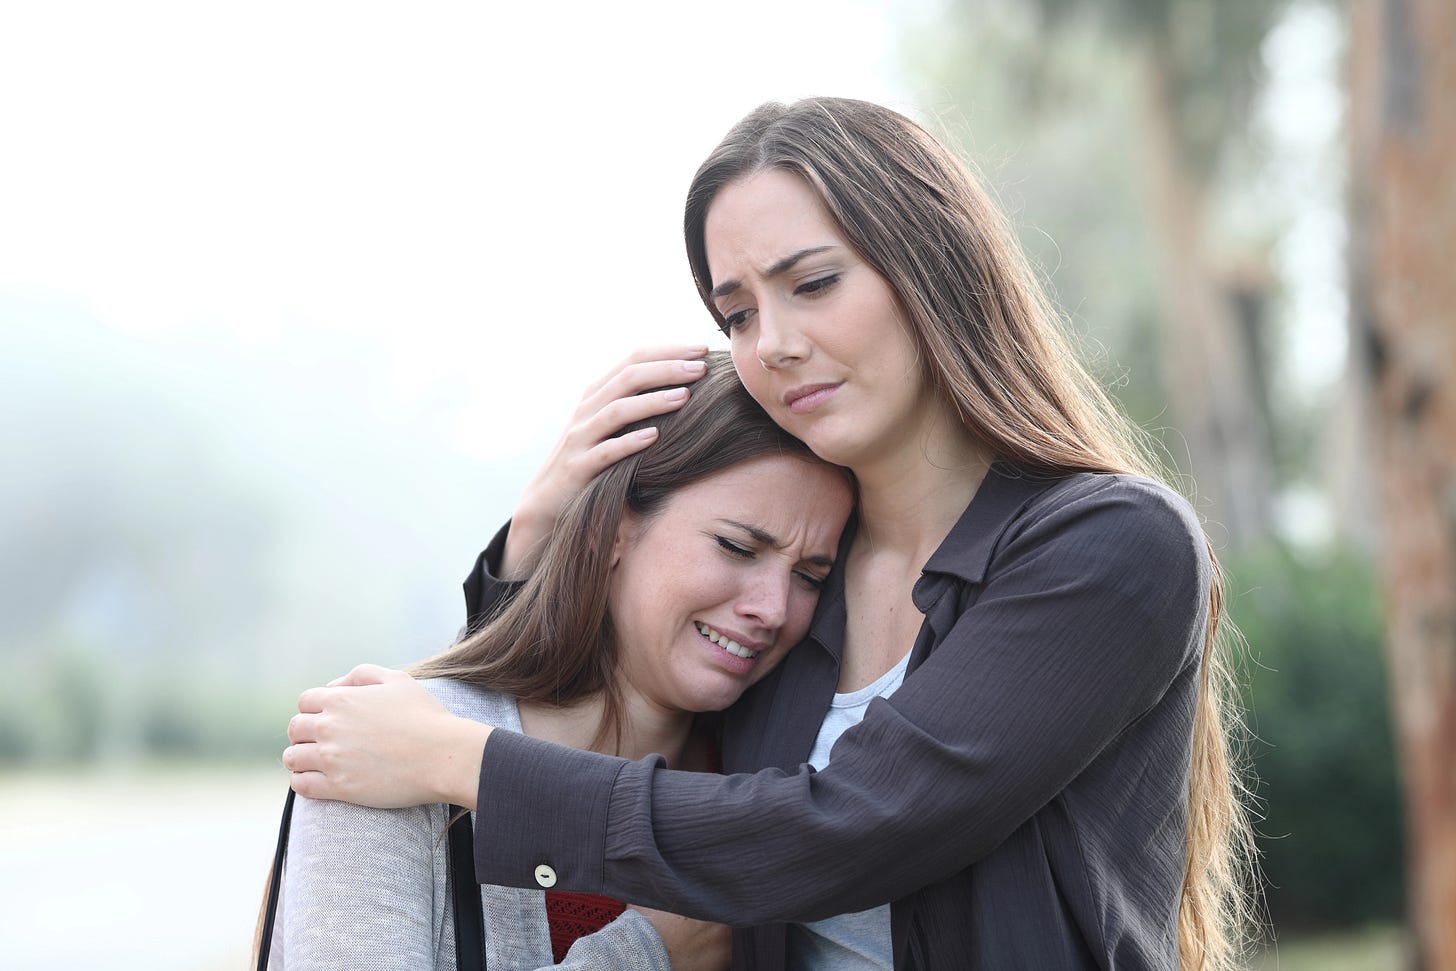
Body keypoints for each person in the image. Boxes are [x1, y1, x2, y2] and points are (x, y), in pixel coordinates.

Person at [284, 97, 1256, 970]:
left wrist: (459, 762)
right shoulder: (800, 587)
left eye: (812, 282)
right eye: (736, 311)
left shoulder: (1108, 545)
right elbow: (617, 703)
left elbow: (851, 829)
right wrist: (547, 531)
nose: (772, 344)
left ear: (933, 263)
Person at [263, 352, 854, 969]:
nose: (774, 608)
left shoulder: (775, 792)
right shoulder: (385, 751)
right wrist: (643, 954)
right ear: (615, 530)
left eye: (811, 577)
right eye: (737, 546)